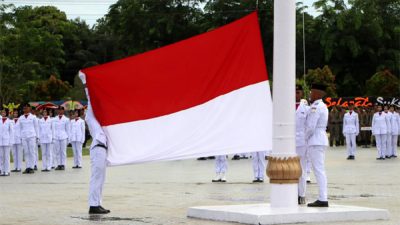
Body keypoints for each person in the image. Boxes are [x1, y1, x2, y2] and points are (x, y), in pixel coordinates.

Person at [80, 73, 111, 214]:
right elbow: (92, 101)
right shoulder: (90, 119)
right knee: (97, 177)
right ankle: (93, 205)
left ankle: (97, 203)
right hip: (98, 148)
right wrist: (87, 84)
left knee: (101, 178)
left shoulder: (102, 123)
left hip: (103, 150)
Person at [305, 84, 329, 207]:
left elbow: (310, 127)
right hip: (319, 139)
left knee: (319, 170)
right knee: (319, 169)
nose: (310, 94)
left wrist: (304, 138)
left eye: (311, 92)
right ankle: (322, 197)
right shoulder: (320, 105)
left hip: (315, 139)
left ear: (317, 93)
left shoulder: (316, 107)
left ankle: (323, 198)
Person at [295, 84, 310, 205]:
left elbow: (309, 126)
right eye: (294, 92)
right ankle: (292, 194)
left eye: (298, 92)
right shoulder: (286, 106)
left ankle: (302, 194)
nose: (296, 94)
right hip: (289, 142)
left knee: (301, 169)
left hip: (301, 142)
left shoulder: (306, 108)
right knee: (290, 170)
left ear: (301, 94)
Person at [20, 104, 39, 174]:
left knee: (32, 152)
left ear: (29, 108)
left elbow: (36, 127)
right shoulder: (21, 118)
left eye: (26, 108)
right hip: (24, 136)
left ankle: (32, 167)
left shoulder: (33, 117)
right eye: (24, 108)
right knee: (26, 152)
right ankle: (27, 167)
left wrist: (37, 137)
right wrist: (20, 137)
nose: (25, 109)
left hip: (32, 136)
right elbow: (20, 128)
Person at [53, 106, 70, 170]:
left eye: (61, 110)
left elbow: (68, 130)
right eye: (58, 110)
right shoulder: (54, 119)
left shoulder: (66, 119)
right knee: (57, 151)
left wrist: (68, 139)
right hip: (56, 136)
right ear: (57, 111)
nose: (60, 111)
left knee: (63, 151)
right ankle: (58, 164)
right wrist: (53, 137)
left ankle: (63, 164)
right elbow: (53, 129)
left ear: (63, 111)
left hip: (64, 136)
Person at [0, 110, 14, 176]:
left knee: (7, 156)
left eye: (4, 112)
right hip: (0, 141)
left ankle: (7, 170)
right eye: (2, 112)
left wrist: (11, 141)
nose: (3, 113)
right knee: (1, 157)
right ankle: (2, 170)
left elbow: (11, 132)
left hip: (7, 141)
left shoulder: (9, 121)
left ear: (6, 113)